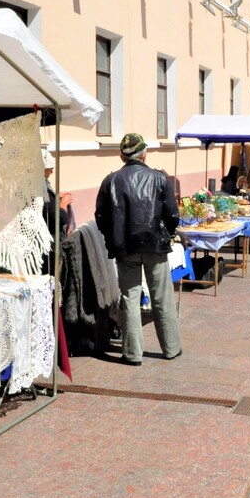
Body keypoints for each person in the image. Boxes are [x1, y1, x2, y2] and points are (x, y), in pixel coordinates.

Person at [95, 133, 182, 366]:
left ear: (121, 155)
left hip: (125, 248)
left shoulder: (111, 181)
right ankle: (171, 348)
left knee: (130, 299)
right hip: (155, 245)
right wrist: (167, 233)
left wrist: (113, 238)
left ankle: (133, 353)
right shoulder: (159, 178)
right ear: (144, 153)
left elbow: (101, 217)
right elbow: (173, 214)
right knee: (162, 298)